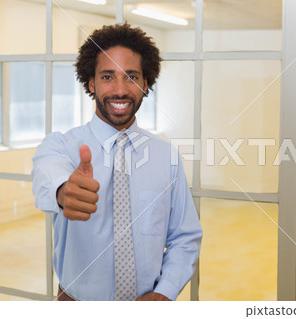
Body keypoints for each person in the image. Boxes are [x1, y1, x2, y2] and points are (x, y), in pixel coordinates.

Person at [32, 23, 203, 301]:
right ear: (91, 83)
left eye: (132, 77)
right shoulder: (62, 147)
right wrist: (64, 192)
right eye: (108, 77)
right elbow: (46, 178)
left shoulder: (166, 156)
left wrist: (165, 293)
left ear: (146, 83)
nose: (121, 90)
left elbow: (185, 237)